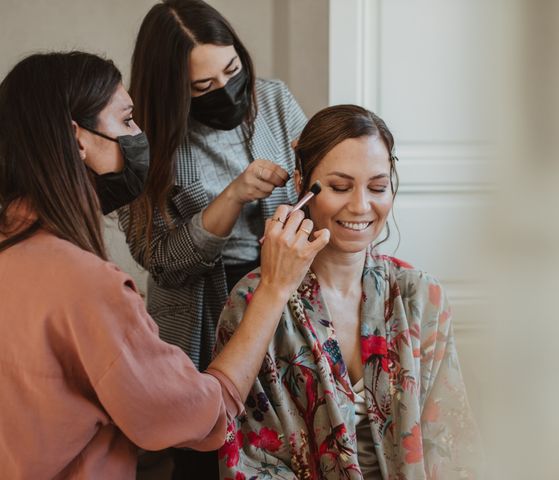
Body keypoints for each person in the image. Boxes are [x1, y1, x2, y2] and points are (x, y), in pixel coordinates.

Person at [0, 51, 328, 480]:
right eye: (127, 120)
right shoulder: (87, 286)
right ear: (76, 138)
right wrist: (273, 289)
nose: (139, 136)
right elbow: (201, 414)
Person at [214, 105, 483, 479]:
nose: (360, 206)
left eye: (377, 187)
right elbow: (250, 457)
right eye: (340, 187)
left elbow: (450, 442)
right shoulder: (253, 302)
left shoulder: (421, 296)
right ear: (301, 184)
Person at [119, 0, 307, 371]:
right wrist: (233, 195)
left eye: (232, 70)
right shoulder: (144, 138)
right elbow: (162, 263)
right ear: (172, 90)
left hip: (283, 296)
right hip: (198, 315)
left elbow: (315, 185)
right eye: (204, 85)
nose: (226, 90)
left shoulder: (274, 100)